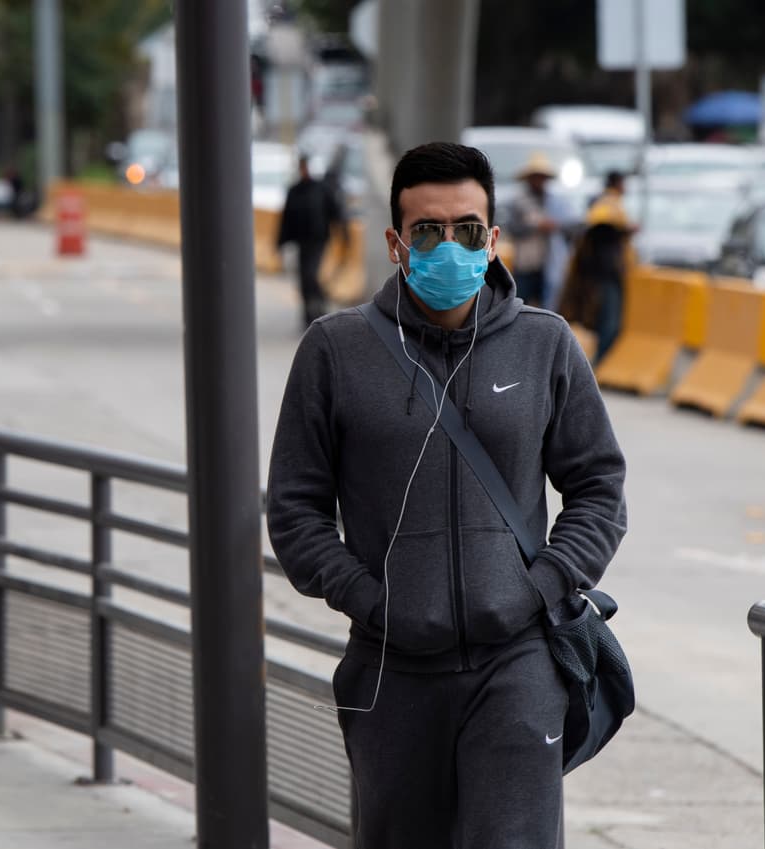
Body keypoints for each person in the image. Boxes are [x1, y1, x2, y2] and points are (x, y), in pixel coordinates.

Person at [266, 142, 627, 848]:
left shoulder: (545, 344)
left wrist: (540, 587)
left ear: (493, 241)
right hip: (389, 670)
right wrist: (370, 601)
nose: (449, 246)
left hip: (519, 663)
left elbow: (599, 487)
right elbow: (293, 508)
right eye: (427, 230)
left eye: (467, 229)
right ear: (395, 244)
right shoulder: (335, 350)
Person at [558, 194, 638, 363]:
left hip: (598, 283)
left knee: (603, 325)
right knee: (608, 326)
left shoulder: (592, 234)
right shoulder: (601, 233)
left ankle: (598, 362)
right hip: (601, 284)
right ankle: (599, 363)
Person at [277, 155, 345, 326]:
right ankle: (308, 313)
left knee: (311, 274)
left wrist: (343, 232)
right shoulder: (295, 191)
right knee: (303, 279)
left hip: (318, 240)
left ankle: (320, 305)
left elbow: (334, 211)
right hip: (302, 241)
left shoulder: (320, 189)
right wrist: (280, 242)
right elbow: (286, 218)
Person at [506, 151, 572, 308]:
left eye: (542, 177)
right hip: (525, 263)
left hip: (549, 264)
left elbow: (569, 226)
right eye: (536, 177)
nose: (539, 181)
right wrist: (536, 227)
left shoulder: (554, 202)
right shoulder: (518, 202)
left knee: (547, 306)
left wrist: (554, 227)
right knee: (521, 304)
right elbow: (512, 228)